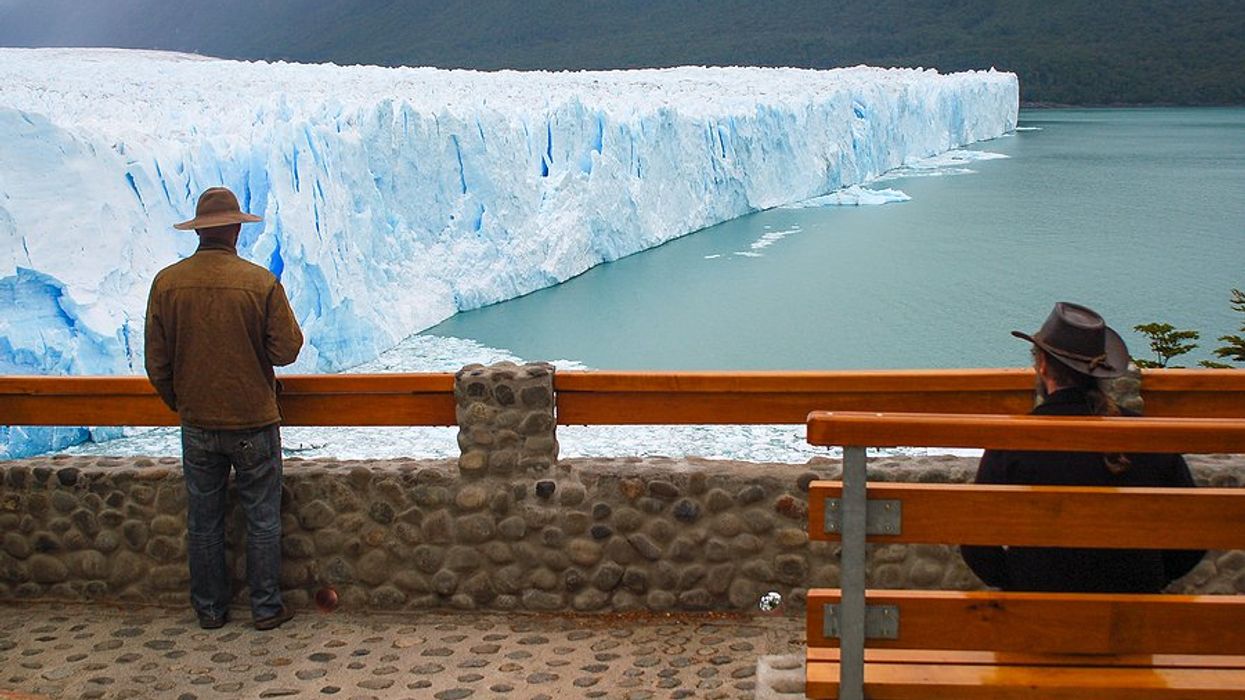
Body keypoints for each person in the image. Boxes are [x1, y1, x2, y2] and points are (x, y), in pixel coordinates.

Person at [960, 302, 1205, 592]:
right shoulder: (1150, 439)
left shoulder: (1012, 442)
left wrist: (1020, 583)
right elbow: (1196, 532)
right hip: (1132, 623)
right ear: (1102, 373)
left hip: (1040, 622)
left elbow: (975, 544)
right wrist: (1150, 578)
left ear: (1041, 366)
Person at [145, 187, 303, 630]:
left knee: (204, 519)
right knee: (262, 517)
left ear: (200, 231)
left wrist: (182, 402)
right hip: (253, 417)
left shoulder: (167, 284)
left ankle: (211, 610)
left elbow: (156, 362)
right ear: (235, 229)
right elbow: (287, 349)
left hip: (196, 421)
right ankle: (267, 607)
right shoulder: (260, 283)